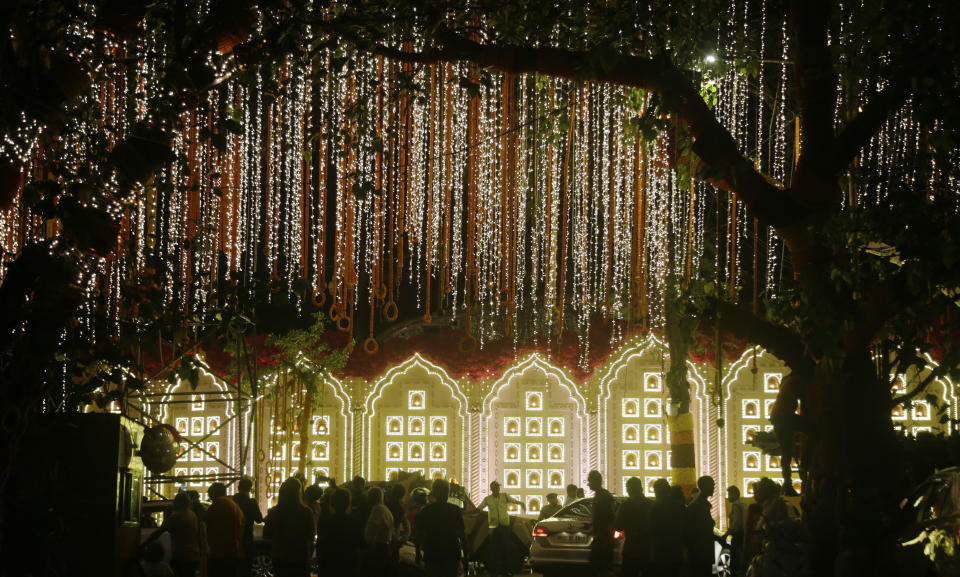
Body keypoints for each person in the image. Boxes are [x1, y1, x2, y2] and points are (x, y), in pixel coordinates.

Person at [415, 479, 468, 577]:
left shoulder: (426, 511)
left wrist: (418, 553)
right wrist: (466, 557)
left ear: (434, 493)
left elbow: (419, 534)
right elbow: (462, 535)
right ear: (447, 493)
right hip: (451, 554)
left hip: (432, 554)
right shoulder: (455, 511)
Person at [264, 477, 316, 577]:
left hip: (280, 556)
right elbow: (311, 535)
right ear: (298, 493)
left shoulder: (274, 512)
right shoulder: (306, 512)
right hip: (300, 557)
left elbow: (266, 534)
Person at [141, 493, 201, 577]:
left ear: (177, 503)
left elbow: (159, 531)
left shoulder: (177, 516)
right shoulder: (192, 514)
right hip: (193, 555)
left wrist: (144, 545)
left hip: (181, 556)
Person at [769, 373, 806, 495]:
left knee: (786, 453)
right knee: (813, 429)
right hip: (785, 417)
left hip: (779, 417)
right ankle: (801, 473)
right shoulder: (798, 378)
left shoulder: (787, 378)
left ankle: (787, 483)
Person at [478, 480, 524, 577]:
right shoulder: (487, 499)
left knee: (505, 548)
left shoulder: (505, 496)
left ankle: (505, 571)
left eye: (498, 487)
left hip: (504, 526)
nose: (497, 489)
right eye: (495, 487)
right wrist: (473, 512)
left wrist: (521, 503)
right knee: (493, 549)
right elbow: (480, 508)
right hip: (493, 526)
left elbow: (514, 500)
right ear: (491, 489)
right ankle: (494, 571)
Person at [316, 488, 362, 577]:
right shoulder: (355, 522)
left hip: (329, 565)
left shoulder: (325, 523)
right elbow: (360, 543)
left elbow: (320, 546)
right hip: (349, 565)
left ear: (332, 503)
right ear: (348, 503)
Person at [206, 482, 245, 577]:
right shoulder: (233, 505)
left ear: (214, 493)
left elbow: (211, 526)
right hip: (234, 550)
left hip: (221, 553)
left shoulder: (218, 504)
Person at [615, 477, 653, 577]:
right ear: (641, 489)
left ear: (629, 490)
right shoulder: (651, 504)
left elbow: (618, 526)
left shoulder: (626, 506)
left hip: (631, 549)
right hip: (648, 549)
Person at [649, 479, 683, 577]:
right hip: (675, 550)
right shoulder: (680, 507)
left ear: (656, 492)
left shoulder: (655, 507)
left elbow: (652, 530)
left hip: (660, 551)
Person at [684, 476, 716, 577]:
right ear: (704, 487)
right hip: (700, 552)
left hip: (702, 551)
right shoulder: (698, 505)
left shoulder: (700, 504)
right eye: (712, 485)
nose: (713, 488)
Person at [587, 470, 615, 576]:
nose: (588, 484)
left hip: (603, 538)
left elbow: (610, 517)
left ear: (596, 481)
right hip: (601, 537)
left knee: (600, 567)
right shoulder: (601, 495)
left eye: (590, 481)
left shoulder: (603, 497)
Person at [362, 487, 396, 576]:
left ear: (372, 497)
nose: (366, 499)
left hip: (379, 548)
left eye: (368, 496)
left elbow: (377, 527)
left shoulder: (378, 509)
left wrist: (372, 543)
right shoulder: (384, 509)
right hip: (383, 546)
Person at [723, 486, 746, 575]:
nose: (728, 497)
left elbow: (736, 523)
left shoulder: (735, 505)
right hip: (743, 534)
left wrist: (726, 534)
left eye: (729, 494)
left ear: (734, 494)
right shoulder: (743, 504)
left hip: (737, 535)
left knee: (735, 559)